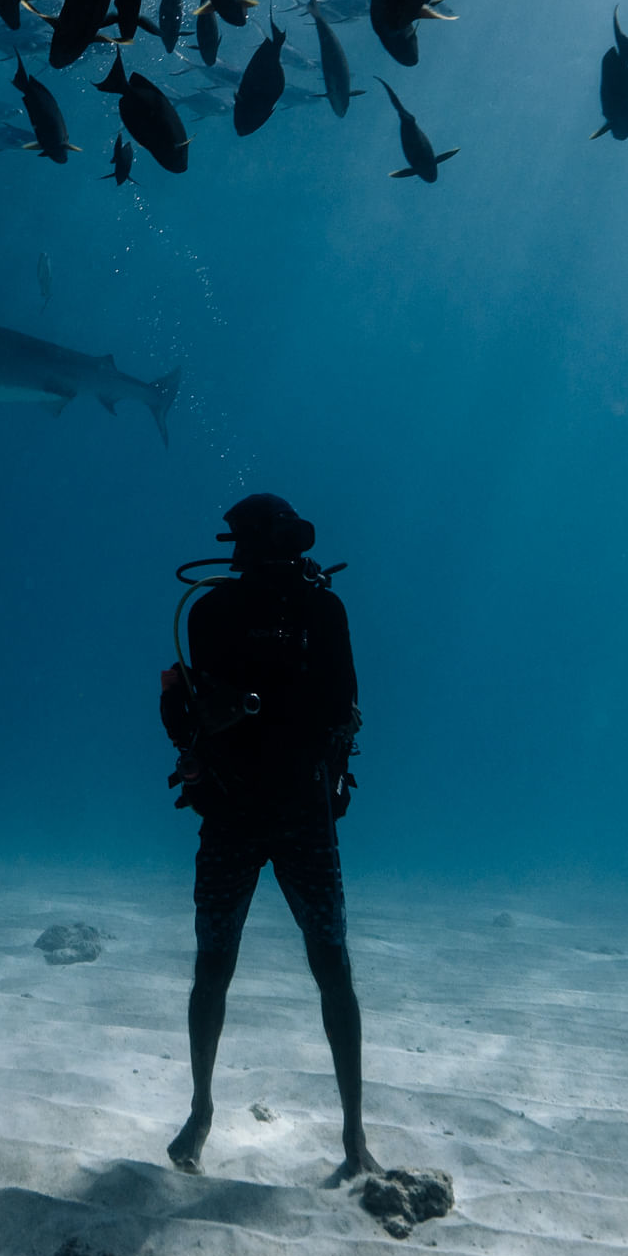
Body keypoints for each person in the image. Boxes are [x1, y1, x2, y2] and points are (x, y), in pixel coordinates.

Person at [158, 491, 373, 1180]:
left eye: (283, 544)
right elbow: (192, 709)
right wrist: (214, 721)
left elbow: (343, 708)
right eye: (263, 545)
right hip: (231, 806)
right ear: (241, 549)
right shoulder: (212, 612)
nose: (275, 558)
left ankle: (353, 1135)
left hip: (301, 807)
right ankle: (201, 1108)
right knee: (213, 966)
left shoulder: (323, 610)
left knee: (331, 964)